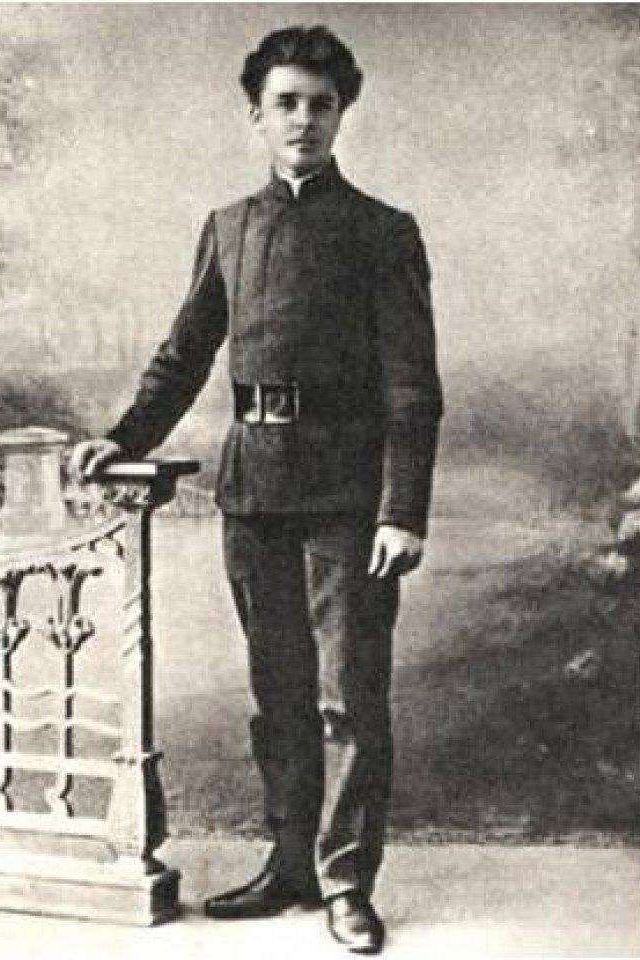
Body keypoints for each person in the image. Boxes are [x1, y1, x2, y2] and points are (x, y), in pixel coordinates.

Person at [72, 25, 442, 954]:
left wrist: (402, 510)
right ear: (257, 115)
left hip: (348, 501)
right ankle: (287, 867)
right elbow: (184, 355)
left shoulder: (383, 232)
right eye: (286, 103)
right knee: (278, 695)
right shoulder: (229, 227)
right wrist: (123, 439)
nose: (303, 119)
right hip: (254, 493)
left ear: (342, 113)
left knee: (347, 698)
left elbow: (412, 388)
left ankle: (346, 884)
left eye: (321, 103)